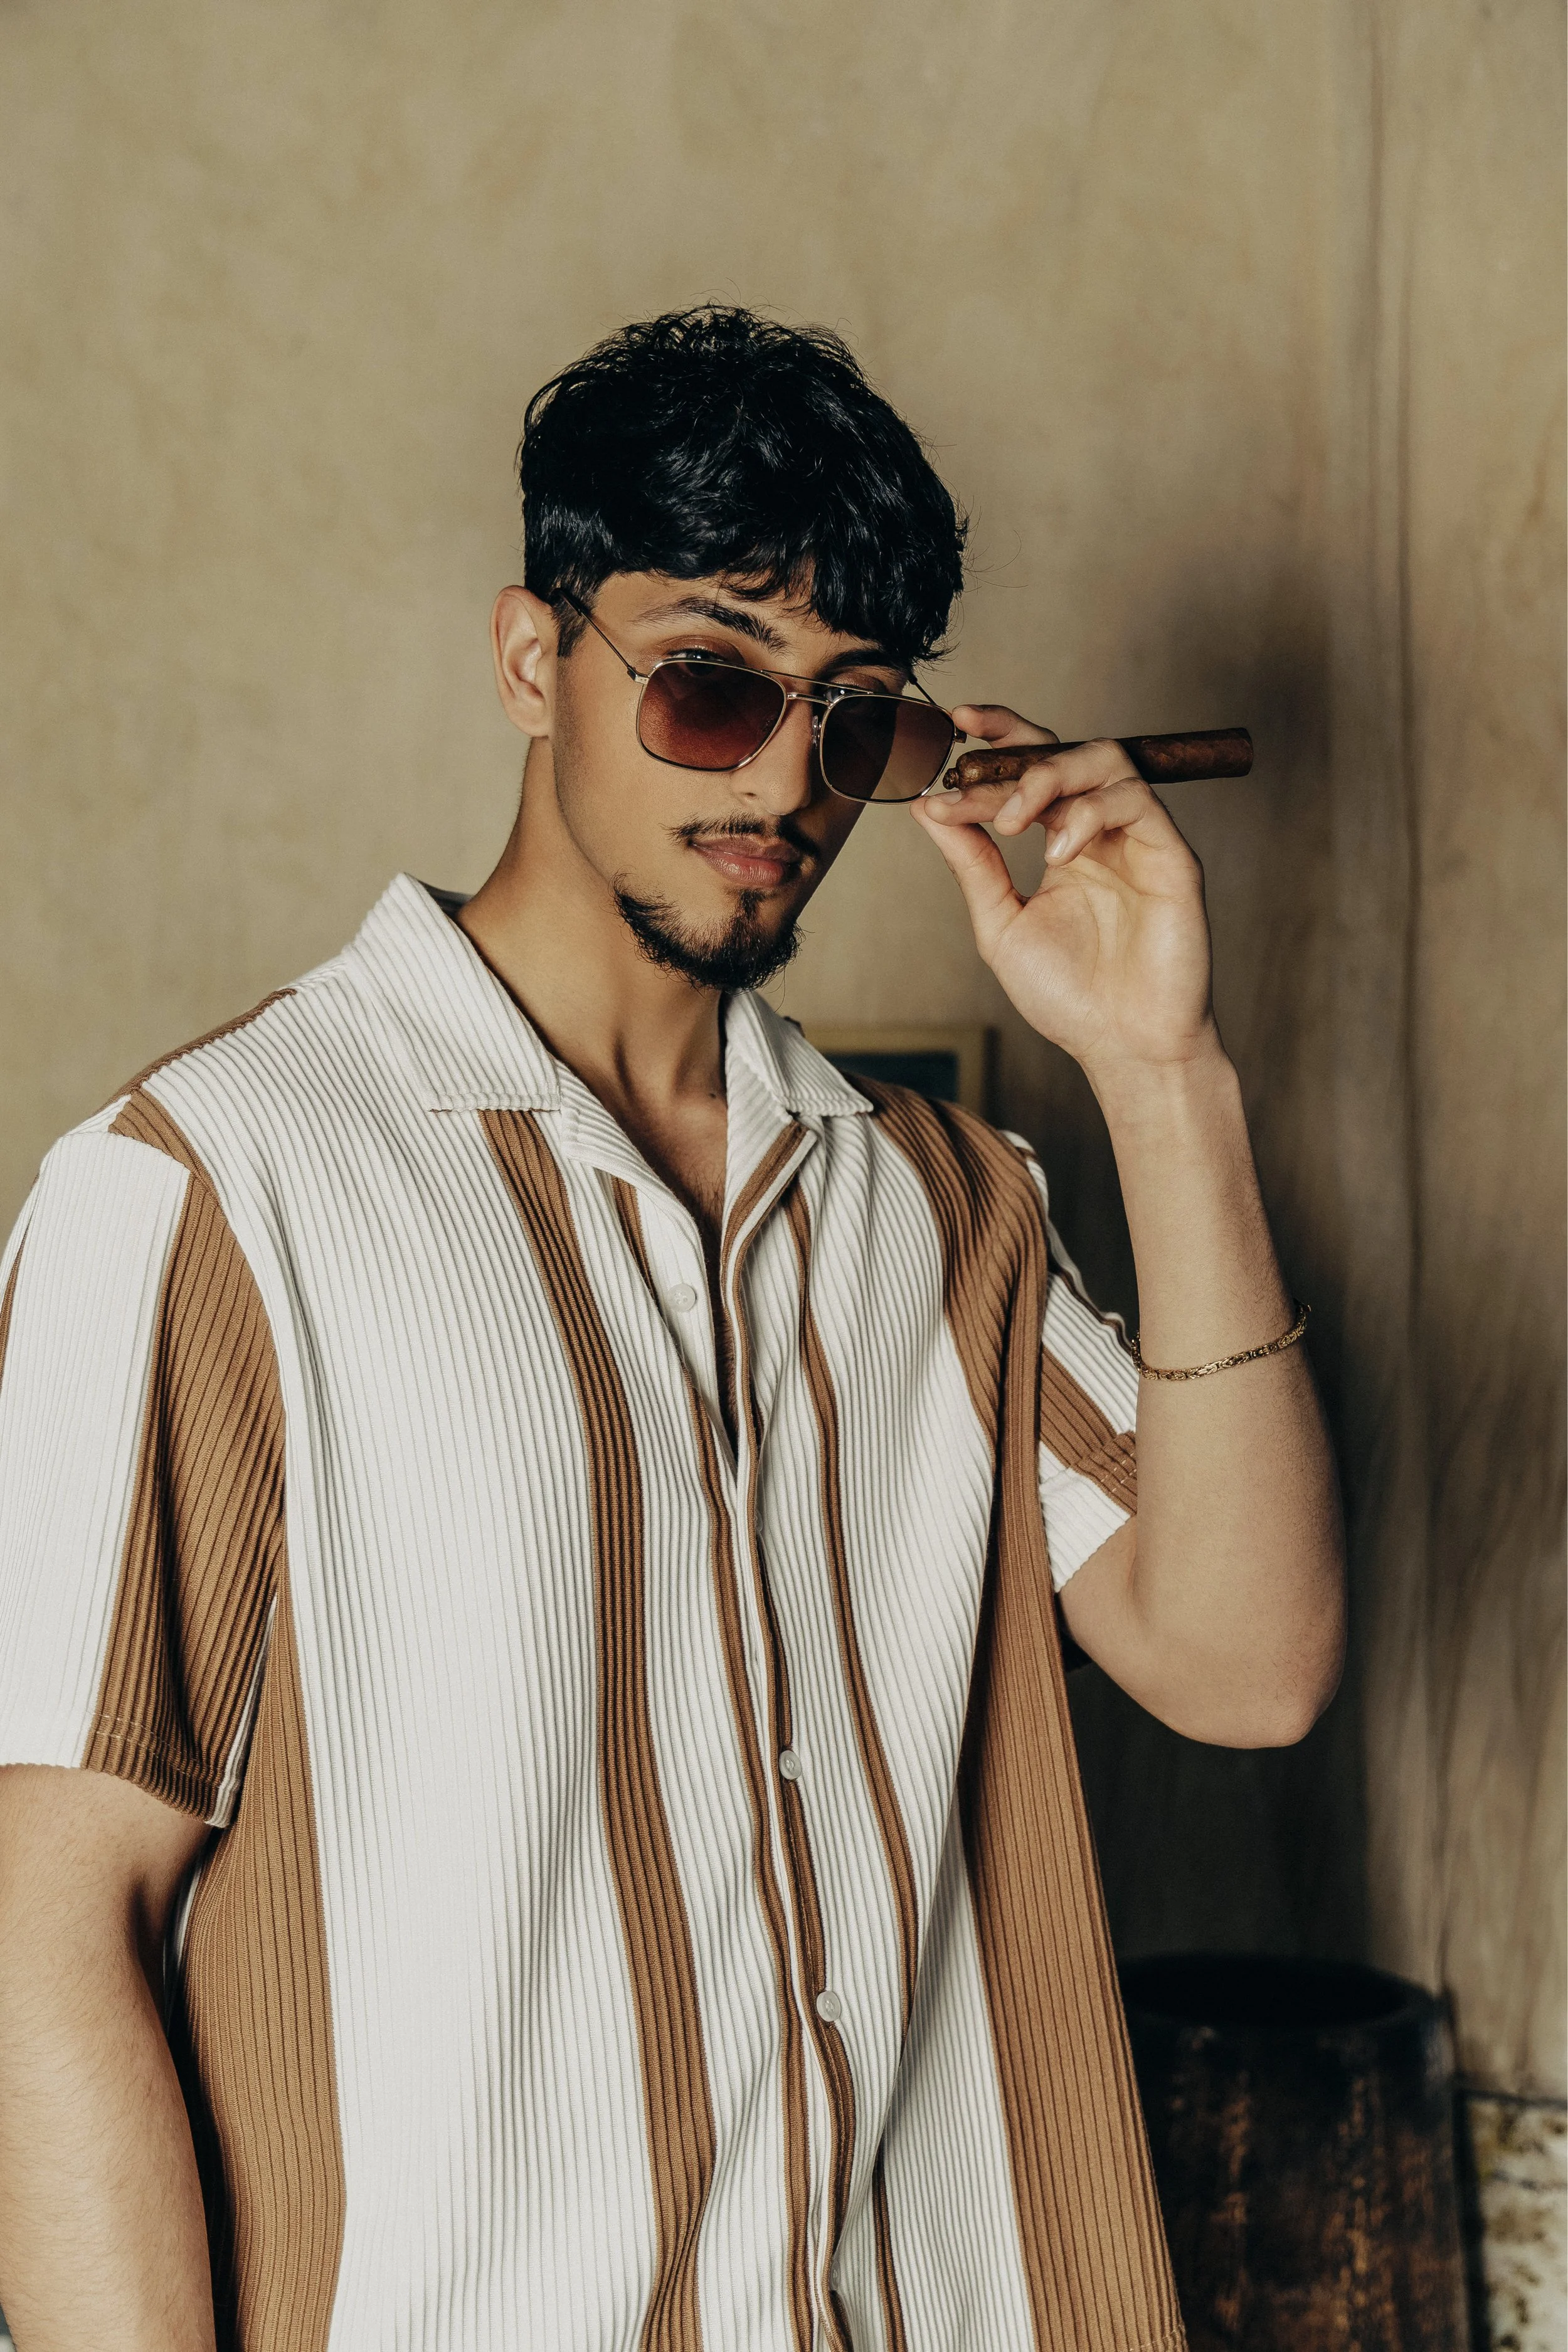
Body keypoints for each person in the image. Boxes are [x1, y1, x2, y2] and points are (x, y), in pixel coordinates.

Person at [0, 305, 1345, 2352]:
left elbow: (1250, 1663)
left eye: (856, 716)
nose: (786, 777)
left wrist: (1162, 1071)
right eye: (711, 684)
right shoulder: (212, 1187)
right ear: (532, 660)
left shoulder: (944, 1203)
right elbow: (44, 1924)